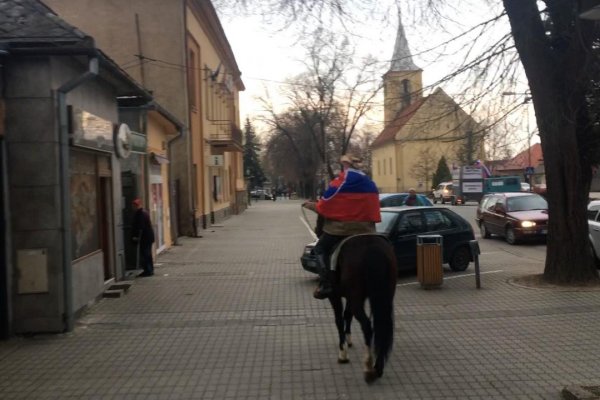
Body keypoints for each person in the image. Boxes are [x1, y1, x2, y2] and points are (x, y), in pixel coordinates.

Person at [302, 154, 381, 299]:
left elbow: (325, 206)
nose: (342, 167)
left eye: (344, 164)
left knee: (319, 249)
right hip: (367, 230)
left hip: (341, 230)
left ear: (347, 165)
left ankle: (326, 284)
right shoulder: (369, 183)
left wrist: (309, 205)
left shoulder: (341, 182)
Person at [131, 198, 155, 277]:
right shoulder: (144, 212)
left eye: (135, 205)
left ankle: (148, 270)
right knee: (147, 254)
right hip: (148, 237)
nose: (134, 207)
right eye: (134, 205)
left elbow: (141, 227)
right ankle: (150, 270)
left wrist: (137, 237)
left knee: (145, 254)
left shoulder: (140, 214)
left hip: (145, 238)